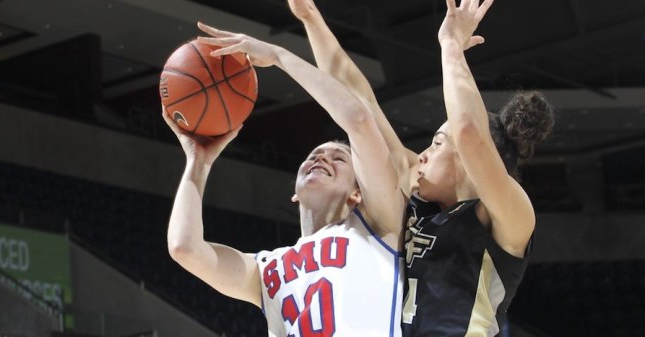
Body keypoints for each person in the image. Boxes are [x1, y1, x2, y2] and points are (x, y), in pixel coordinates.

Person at [287, 0, 554, 336]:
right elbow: (360, 99)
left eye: (438, 143)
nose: (422, 155)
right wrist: (310, 19)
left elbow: (469, 133)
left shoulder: (509, 215)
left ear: (471, 163)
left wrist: (451, 47)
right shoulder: (421, 200)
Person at [165, 22, 406, 337]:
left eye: (338, 158)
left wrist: (278, 56)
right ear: (295, 193)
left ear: (357, 193)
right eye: (314, 156)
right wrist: (198, 161)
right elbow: (185, 248)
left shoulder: (380, 226)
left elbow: (359, 120)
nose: (320, 158)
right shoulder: (266, 269)